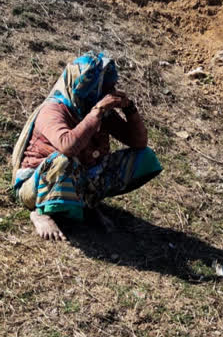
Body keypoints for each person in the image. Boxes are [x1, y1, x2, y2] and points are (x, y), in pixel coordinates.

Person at [10, 52, 163, 241]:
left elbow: (138, 142)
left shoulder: (98, 112)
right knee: (63, 161)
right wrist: (97, 112)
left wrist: (129, 109)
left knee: (143, 157)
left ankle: (86, 204)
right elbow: (68, 146)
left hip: (81, 177)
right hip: (37, 184)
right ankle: (40, 212)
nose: (96, 94)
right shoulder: (53, 110)